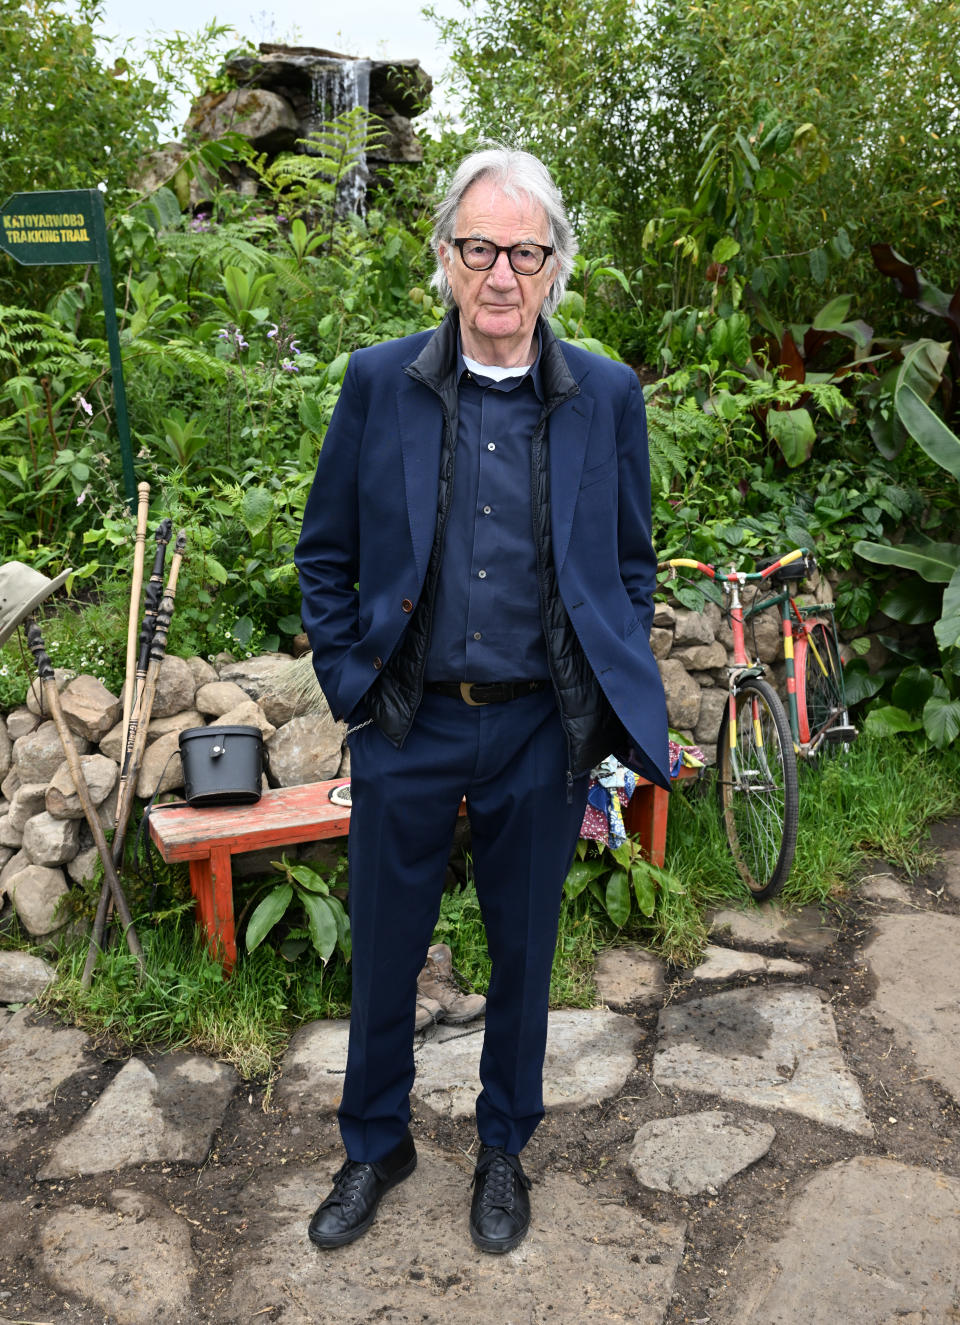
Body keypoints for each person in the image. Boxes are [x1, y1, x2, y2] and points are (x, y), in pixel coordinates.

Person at [295, 146, 669, 1254]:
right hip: (407, 716)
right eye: (479, 249)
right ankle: (375, 1143)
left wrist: (600, 678)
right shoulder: (380, 381)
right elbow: (326, 554)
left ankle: (504, 1146)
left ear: (554, 267)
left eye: (524, 251)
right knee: (386, 948)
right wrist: (345, 678)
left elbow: (632, 563)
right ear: (446, 260)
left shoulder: (605, 393)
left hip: (538, 724)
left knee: (523, 946)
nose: (501, 273)